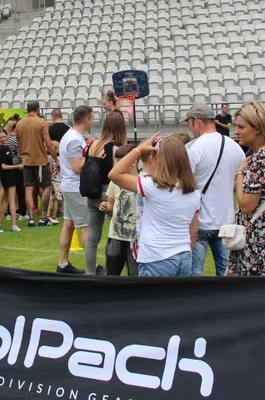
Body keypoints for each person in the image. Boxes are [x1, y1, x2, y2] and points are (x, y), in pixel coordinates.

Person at [108, 134, 200, 276]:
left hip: (157, 256)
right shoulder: (194, 192)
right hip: (184, 254)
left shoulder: (153, 186)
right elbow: (193, 230)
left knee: (154, 298)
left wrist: (138, 150)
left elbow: (114, 174)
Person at [227, 102, 265, 278]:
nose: (236, 131)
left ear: (258, 129)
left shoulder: (259, 160)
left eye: (241, 126)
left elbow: (246, 205)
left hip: (258, 242)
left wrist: (240, 172)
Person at [185, 103, 245, 277]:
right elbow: (240, 180)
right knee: (227, 274)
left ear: (196, 121)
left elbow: (184, 183)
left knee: (195, 274)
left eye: (189, 123)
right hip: (226, 220)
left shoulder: (194, 148)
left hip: (199, 220)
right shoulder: (235, 147)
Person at [83, 111, 127, 276]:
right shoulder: (116, 147)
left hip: (91, 194)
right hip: (108, 195)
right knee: (117, 235)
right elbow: (118, 174)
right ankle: (112, 272)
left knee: (92, 238)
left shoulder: (93, 145)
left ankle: (89, 273)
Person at [57, 106, 95, 274]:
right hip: (76, 187)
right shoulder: (74, 139)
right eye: (92, 118)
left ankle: (63, 264)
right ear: (86, 120)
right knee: (86, 226)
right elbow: (76, 167)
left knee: (69, 224)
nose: (93, 121)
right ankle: (91, 267)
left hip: (69, 186)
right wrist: (93, 158)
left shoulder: (71, 136)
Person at [16, 101, 55, 227]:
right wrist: (56, 158)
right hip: (40, 160)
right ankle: (44, 217)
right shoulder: (41, 122)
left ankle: (31, 218)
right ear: (38, 110)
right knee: (47, 186)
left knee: (28, 188)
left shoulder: (20, 123)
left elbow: (18, 142)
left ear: (27, 110)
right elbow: (48, 143)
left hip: (26, 160)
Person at [102, 144, 139, 276]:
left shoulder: (142, 181)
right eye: (117, 160)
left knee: (134, 274)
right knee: (112, 272)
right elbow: (111, 202)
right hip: (116, 235)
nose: (117, 164)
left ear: (133, 161)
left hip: (135, 237)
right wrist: (106, 206)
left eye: (121, 160)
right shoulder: (114, 182)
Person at [0, 125, 22, 232]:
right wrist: (17, 166)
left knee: (6, 200)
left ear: (6, 136)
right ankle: (14, 225)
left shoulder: (7, 148)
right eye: (0, 137)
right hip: (7, 176)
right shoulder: (0, 149)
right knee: (11, 200)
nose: (2, 138)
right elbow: (3, 166)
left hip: (9, 175)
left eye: (4, 136)